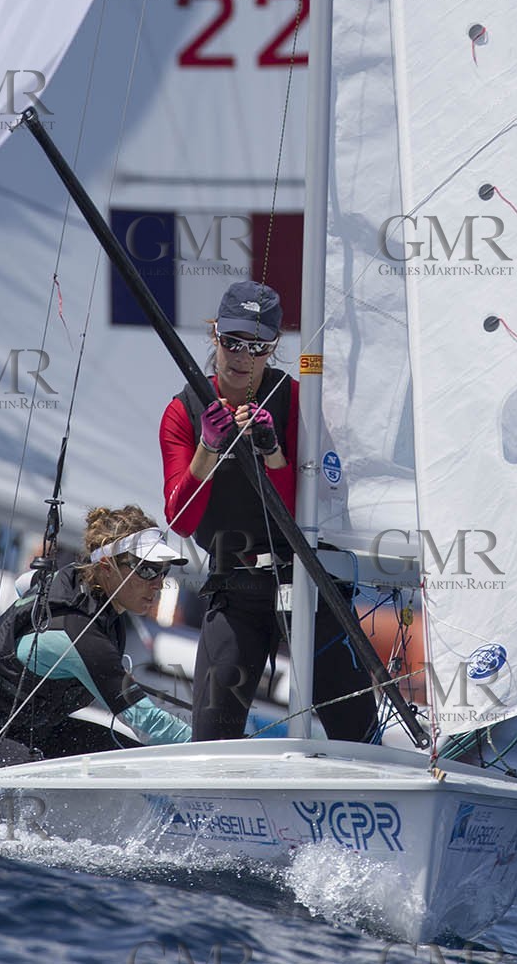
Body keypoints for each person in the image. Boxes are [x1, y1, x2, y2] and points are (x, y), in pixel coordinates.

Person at [159, 280, 378, 743]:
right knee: (212, 740)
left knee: (358, 734)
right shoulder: (181, 413)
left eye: (258, 347)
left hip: (307, 583)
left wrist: (273, 452)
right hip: (236, 589)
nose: (243, 357)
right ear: (215, 335)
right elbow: (181, 521)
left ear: (273, 348)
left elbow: (315, 507)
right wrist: (208, 449)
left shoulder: (297, 399)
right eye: (233, 342)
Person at [0, 506, 193, 772]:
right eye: (147, 570)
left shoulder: (85, 592)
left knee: (133, 762)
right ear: (106, 566)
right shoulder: (81, 635)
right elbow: (147, 722)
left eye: (163, 570)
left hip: (40, 732)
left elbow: (25, 583)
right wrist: (209, 750)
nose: (159, 583)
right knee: (38, 776)